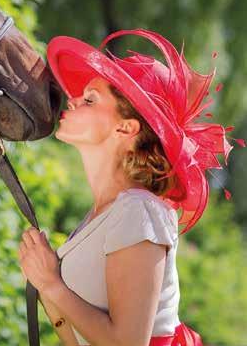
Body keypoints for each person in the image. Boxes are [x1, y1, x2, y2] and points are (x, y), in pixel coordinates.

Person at [18, 29, 242, 346]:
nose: (73, 98)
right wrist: (45, 284)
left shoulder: (139, 211)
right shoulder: (102, 216)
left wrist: (52, 284)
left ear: (126, 127)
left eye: (90, 99)